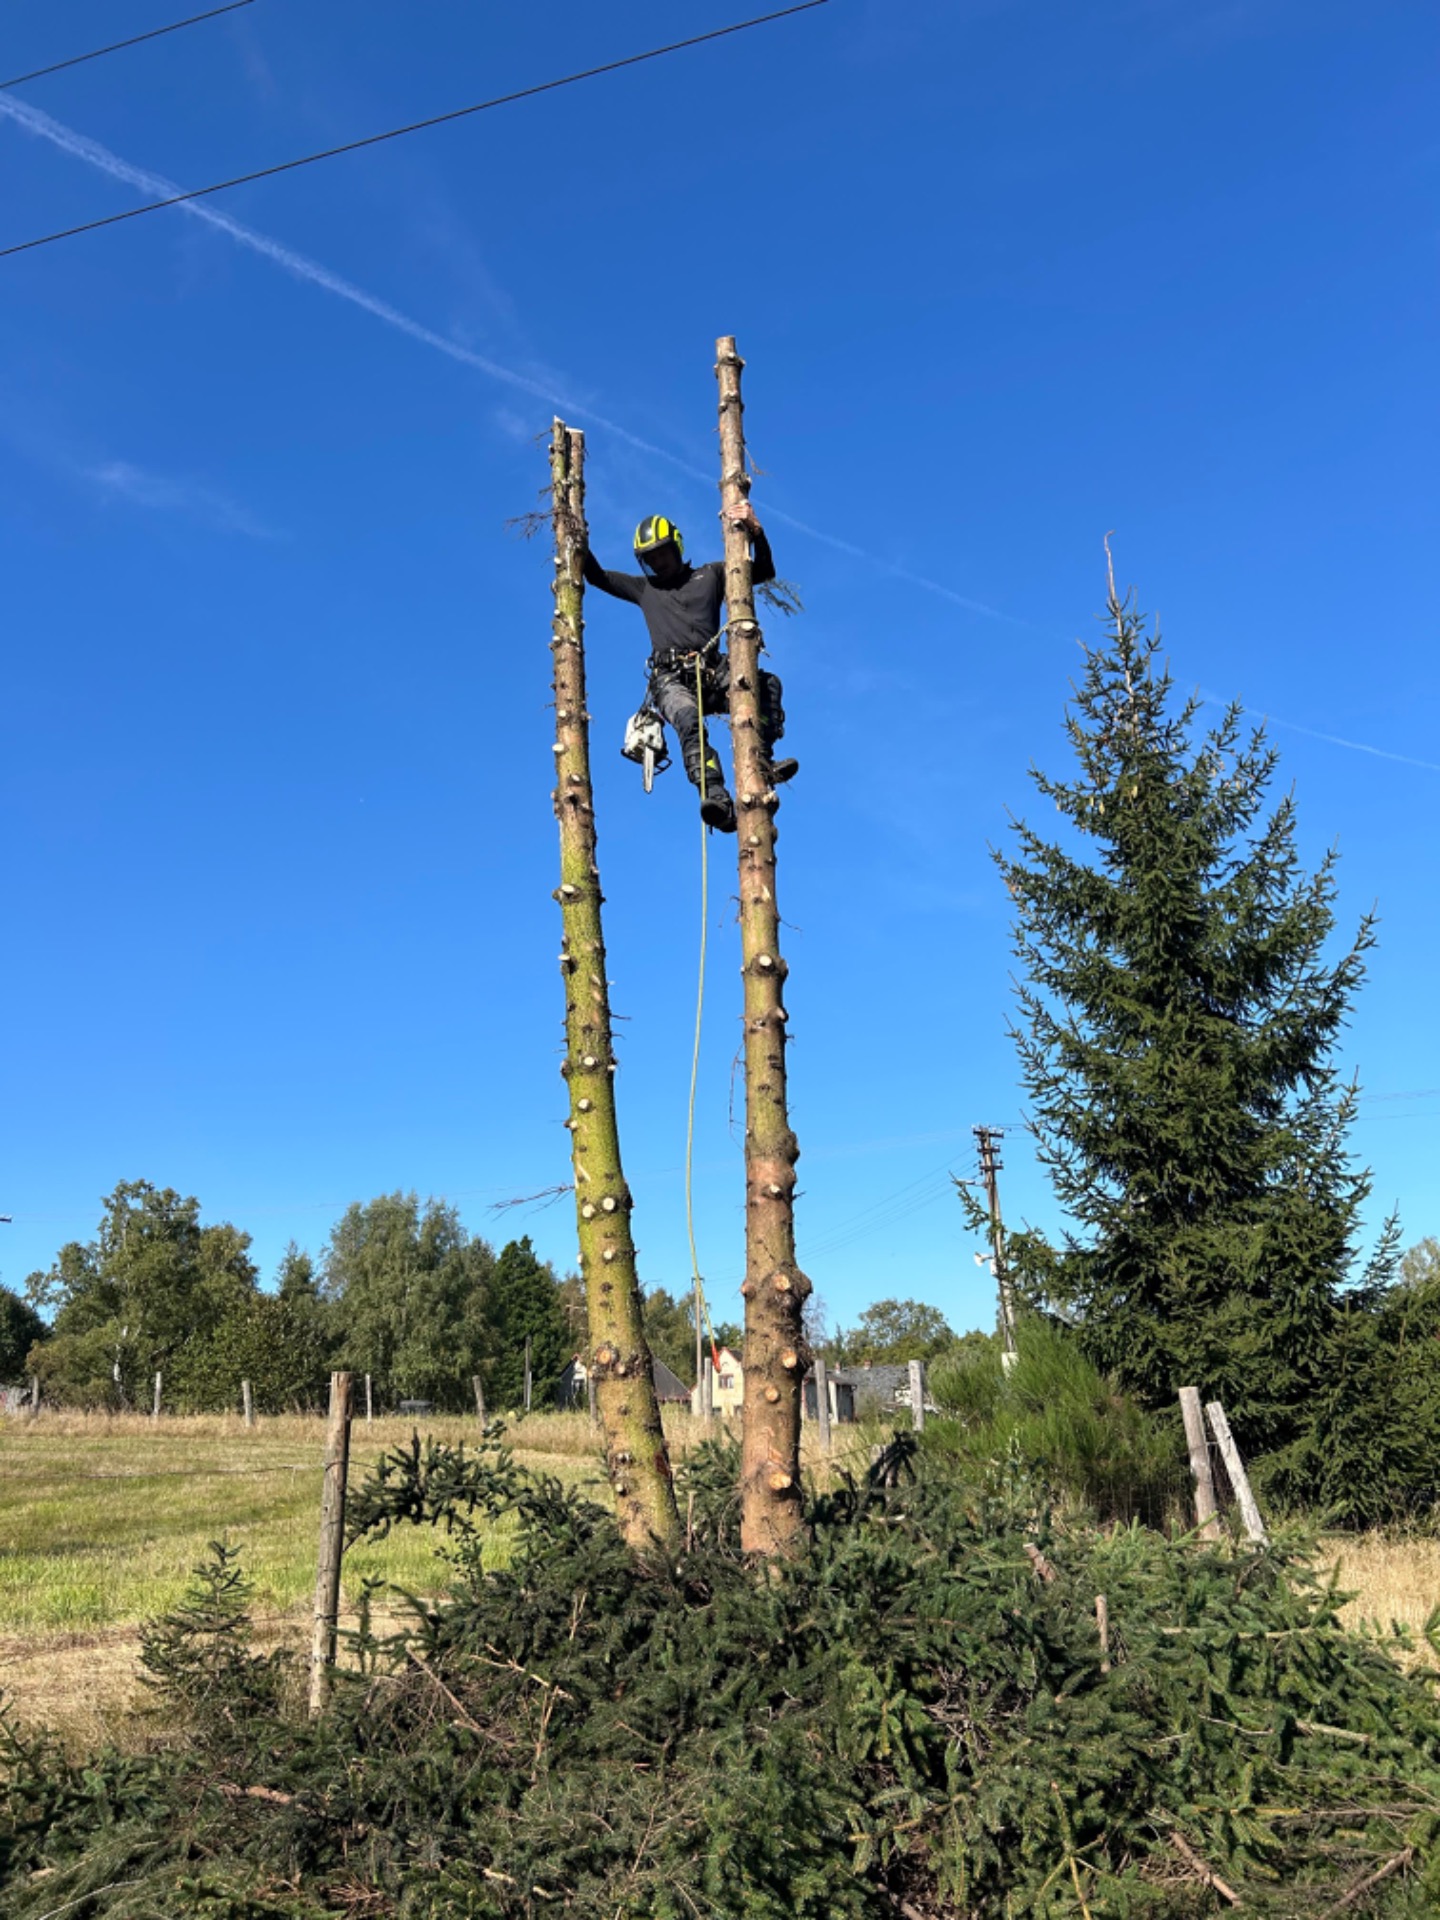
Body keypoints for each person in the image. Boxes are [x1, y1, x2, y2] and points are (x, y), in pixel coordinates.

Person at [581, 503, 798, 833]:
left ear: (676, 547)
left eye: (662, 554)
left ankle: (763, 761)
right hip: (669, 677)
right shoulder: (645, 589)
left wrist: (756, 530)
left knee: (767, 685)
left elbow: (764, 572)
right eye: (650, 558)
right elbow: (597, 576)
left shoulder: (710, 575)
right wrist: (576, 538)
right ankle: (715, 796)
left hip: (711, 670)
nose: (658, 562)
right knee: (687, 720)